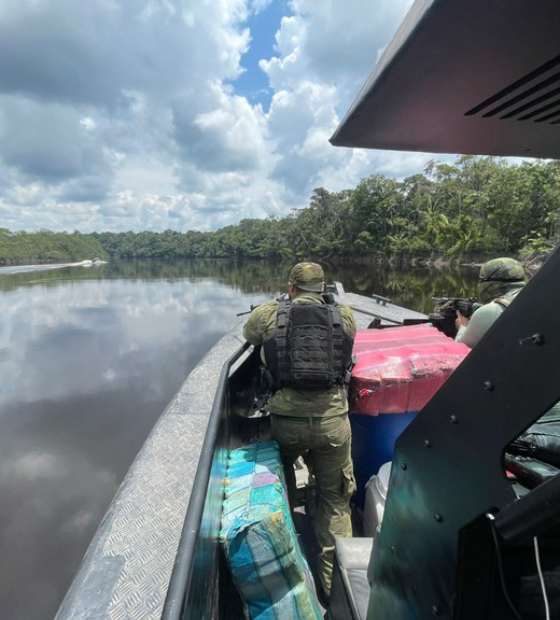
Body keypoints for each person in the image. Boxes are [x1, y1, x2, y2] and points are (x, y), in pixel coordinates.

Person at [243, 262, 357, 601]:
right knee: (336, 502)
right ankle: (336, 593)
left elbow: (250, 336)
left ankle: (291, 580)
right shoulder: (345, 315)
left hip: (286, 421)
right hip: (332, 422)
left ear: (291, 288)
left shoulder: (268, 313)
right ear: (322, 288)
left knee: (282, 493)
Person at [455, 257, 527, 348]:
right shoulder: (533, 297)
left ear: (488, 283)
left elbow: (461, 348)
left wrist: (462, 326)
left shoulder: (491, 311)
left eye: (481, 280)